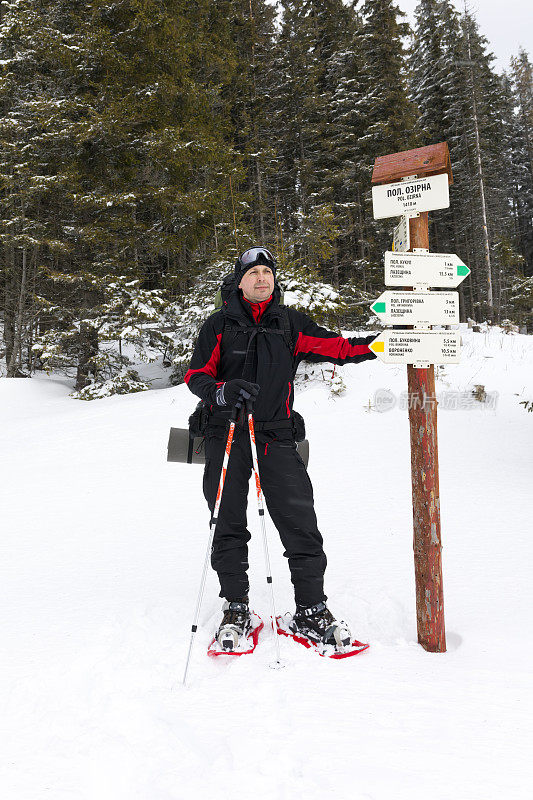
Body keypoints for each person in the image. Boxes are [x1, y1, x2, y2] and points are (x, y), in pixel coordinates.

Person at [184, 246, 376, 651]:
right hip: (227, 434)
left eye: (266, 273)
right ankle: (236, 605)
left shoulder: (288, 323)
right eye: (252, 273)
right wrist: (222, 392)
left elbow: (338, 349)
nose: (261, 279)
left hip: (276, 435)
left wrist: (383, 345)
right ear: (239, 282)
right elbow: (196, 376)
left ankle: (311, 609)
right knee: (228, 520)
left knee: (299, 521)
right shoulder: (218, 325)